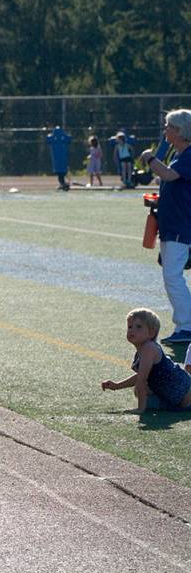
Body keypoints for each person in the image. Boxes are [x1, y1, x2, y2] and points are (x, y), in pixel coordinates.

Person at [140, 109, 191, 344]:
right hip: (174, 224)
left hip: (181, 225)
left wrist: (151, 159)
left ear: (180, 131)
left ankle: (187, 325)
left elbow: (170, 176)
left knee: (172, 276)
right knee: (172, 274)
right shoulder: (180, 154)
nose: (165, 131)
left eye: (169, 126)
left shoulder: (188, 155)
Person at [101, 309, 191, 413]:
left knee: (140, 390)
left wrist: (140, 409)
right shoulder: (143, 350)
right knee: (139, 392)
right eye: (130, 327)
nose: (132, 330)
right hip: (174, 399)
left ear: (151, 333)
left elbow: (142, 380)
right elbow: (141, 376)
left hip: (186, 396)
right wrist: (117, 385)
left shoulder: (149, 348)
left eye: (138, 327)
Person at [46, 126, 71, 191]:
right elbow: (69, 138)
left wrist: (49, 135)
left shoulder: (54, 138)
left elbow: (48, 138)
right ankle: (64, 184)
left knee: (60, 174)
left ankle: (63, 185)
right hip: (63, 159)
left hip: (57, 160)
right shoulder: (63, 138)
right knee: (62, 173)